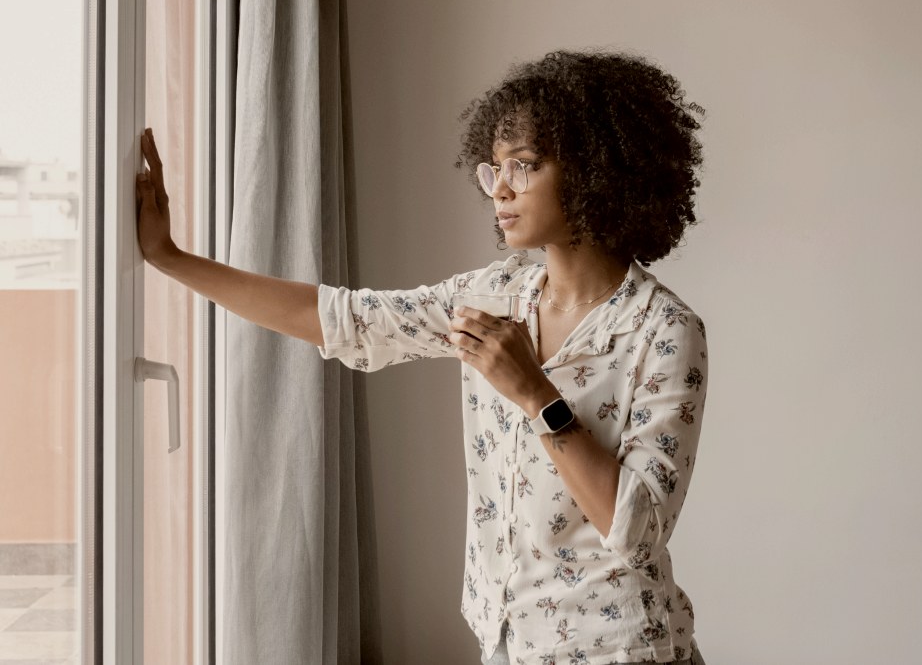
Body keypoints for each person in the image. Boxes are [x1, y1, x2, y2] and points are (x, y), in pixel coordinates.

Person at [136, 49, 709, 665]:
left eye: (526, 166)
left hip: (620, 649)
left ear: (599, 169)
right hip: (506, 641)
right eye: (493, 171)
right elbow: (345, 320)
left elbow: (637, 531)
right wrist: (170, 258)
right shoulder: (488, 298)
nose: (502, 190)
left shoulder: (664, 332)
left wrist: (537, 395)